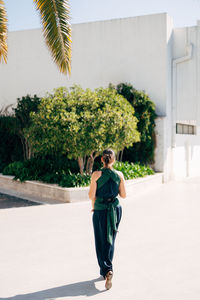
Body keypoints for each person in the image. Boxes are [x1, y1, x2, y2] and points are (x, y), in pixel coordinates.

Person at [88, 148, 126, 290]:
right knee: (111, 238)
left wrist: (94, 205)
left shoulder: (96, 175)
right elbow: (123, 195)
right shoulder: (119, 175)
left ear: (102, 159)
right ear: (114, 159)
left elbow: (91, 195)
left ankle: (106, 269)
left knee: (100, 239)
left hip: (100, 209)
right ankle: (107, 269)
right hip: (115, 210)